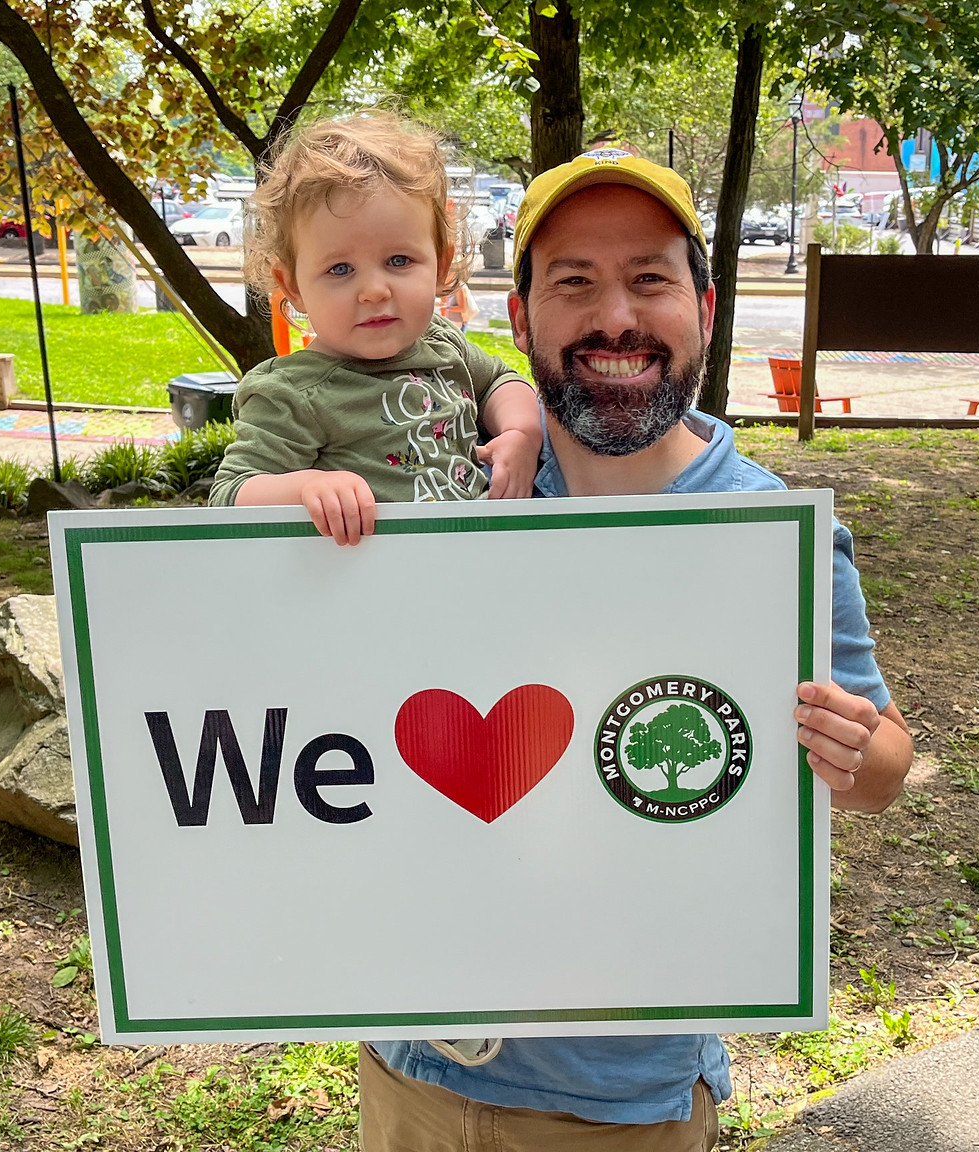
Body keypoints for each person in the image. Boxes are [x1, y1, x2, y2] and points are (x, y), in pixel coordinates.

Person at [355, 149, 915, 1151]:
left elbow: (882, 767)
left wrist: (849, 749)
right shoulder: (438, 491)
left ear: (702, 304)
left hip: (616, 1104)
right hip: (412, 1069)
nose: (614, 315)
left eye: (648, 279)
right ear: (520, 319)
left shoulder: (767, 534)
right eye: (573, 282)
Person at [208, 112, 543, 540]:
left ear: (440, 264)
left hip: (476, 563)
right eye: (340, 268)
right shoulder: (293, 393)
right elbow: (229, 494)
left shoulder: (442, 343)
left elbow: (500, 380)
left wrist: (521, 430)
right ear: (291, 285)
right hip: (373, 588)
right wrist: (307, 488)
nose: (373, 291)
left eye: (398, 261)